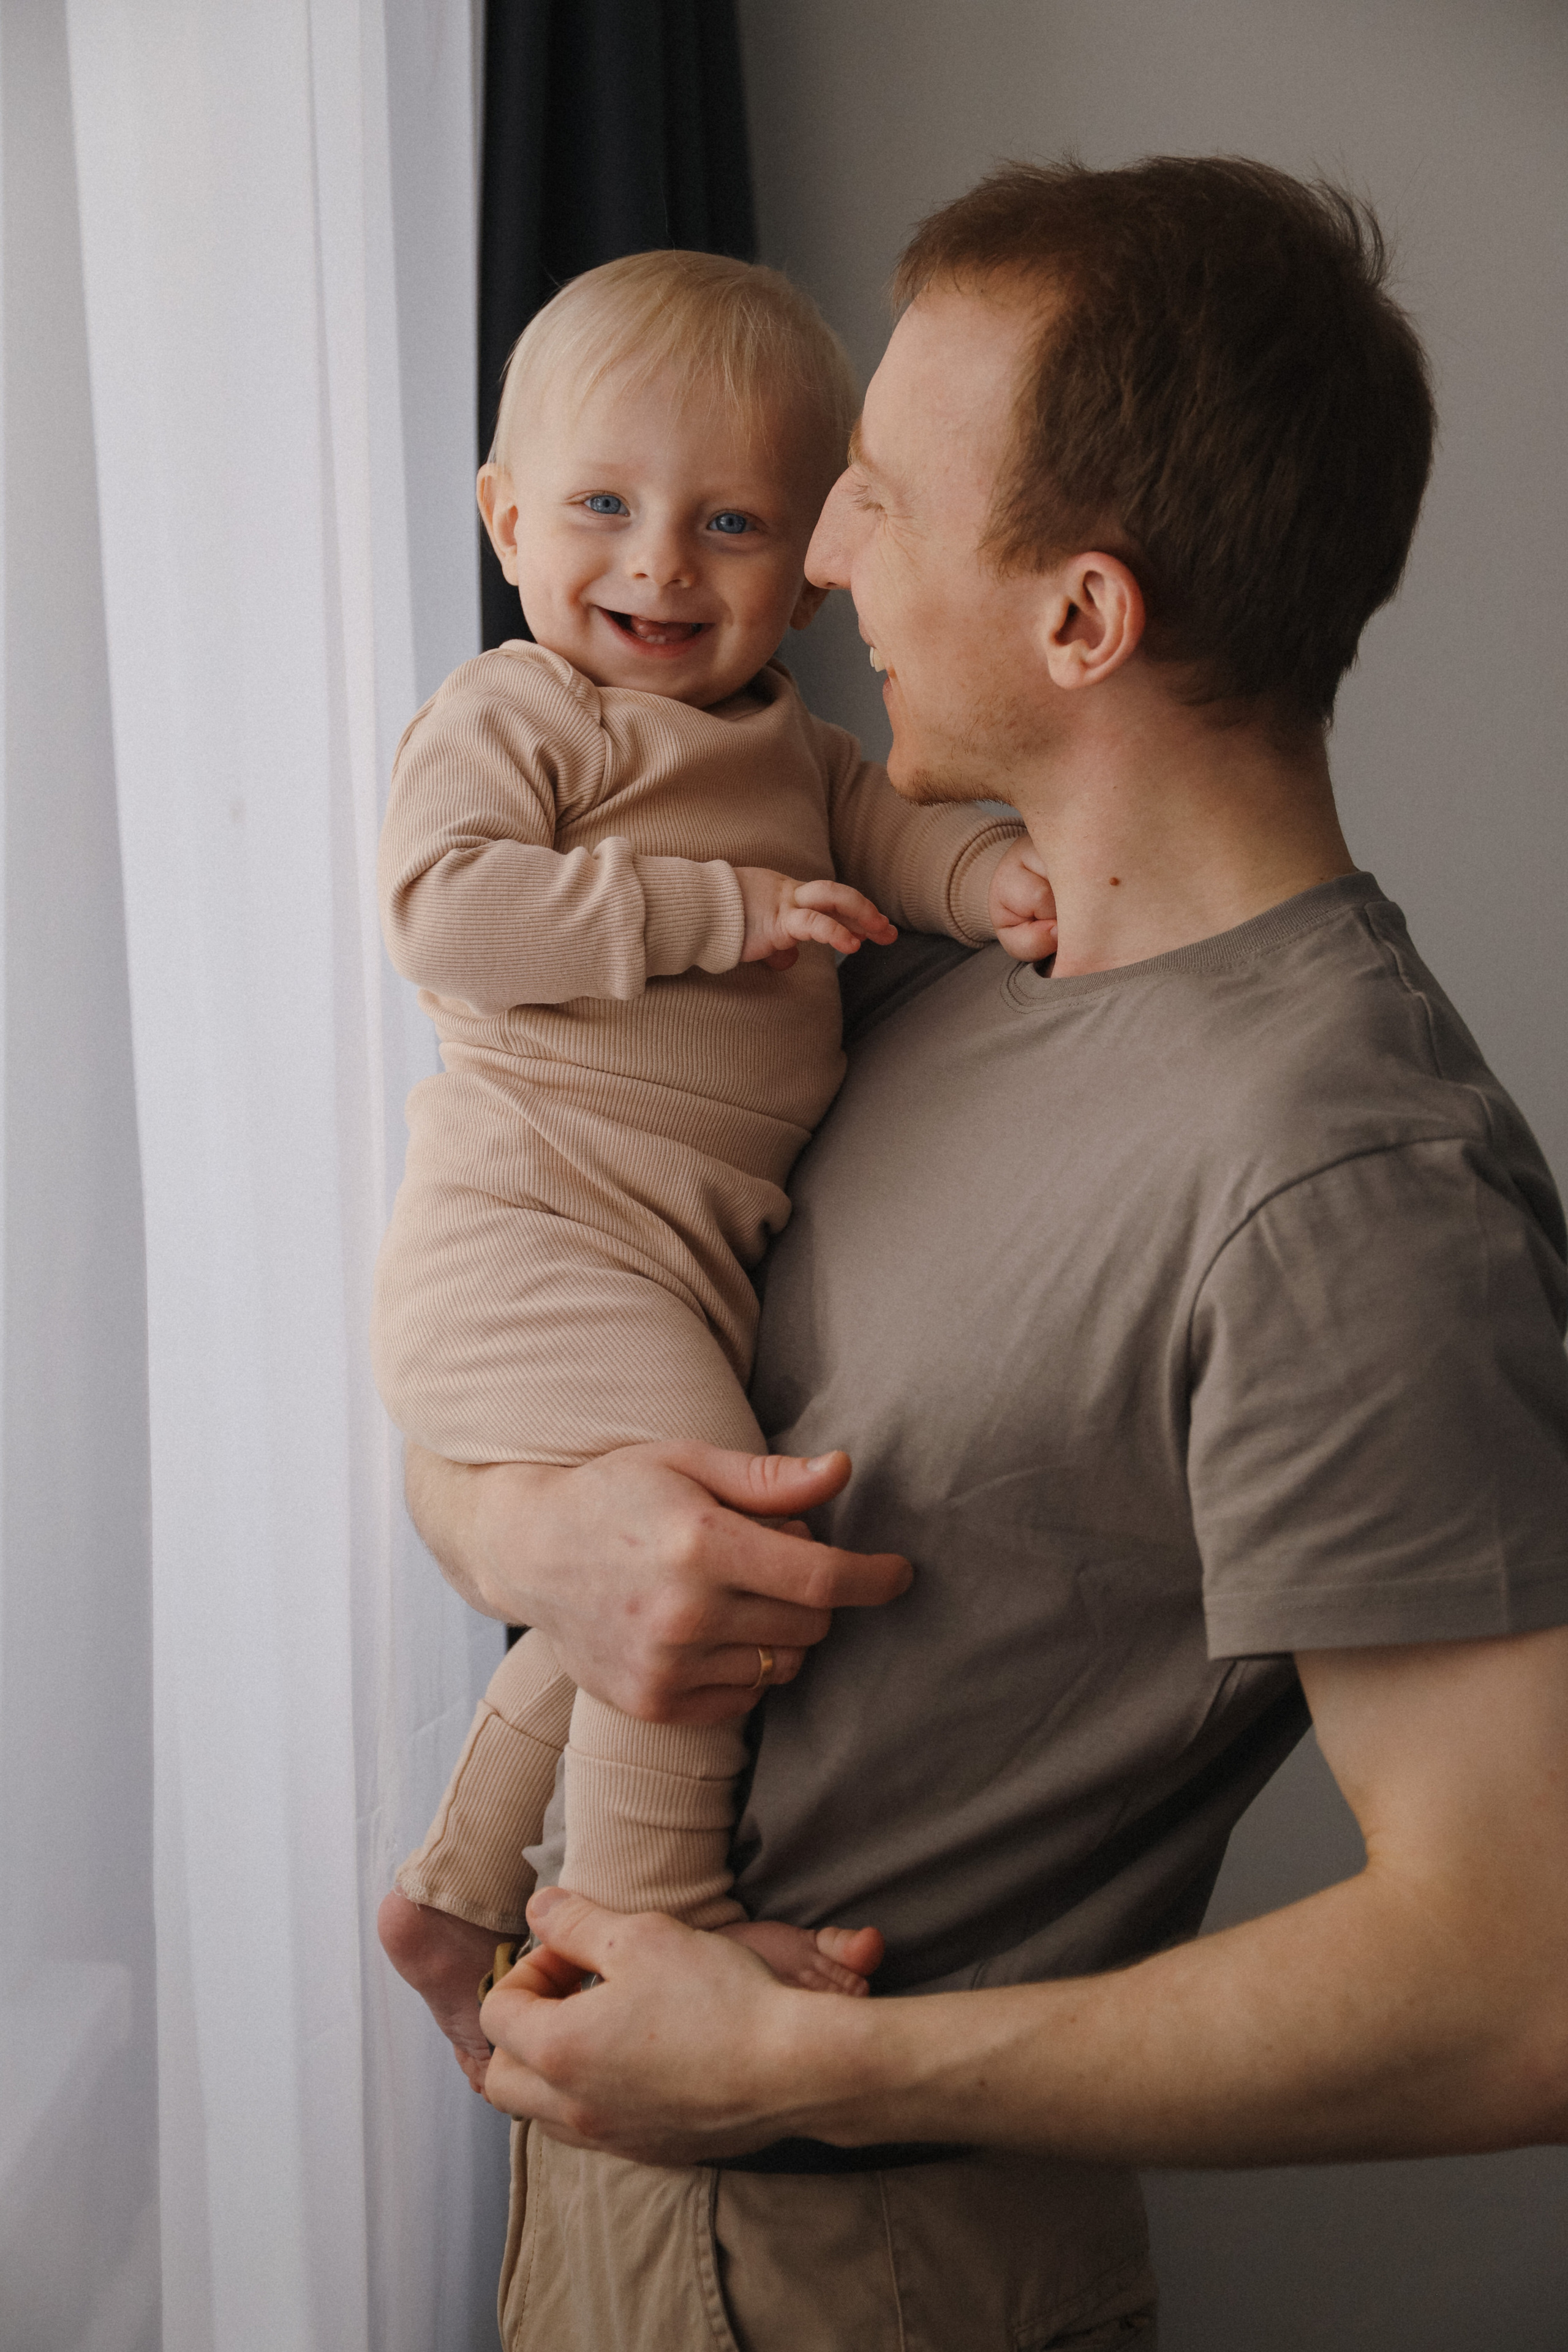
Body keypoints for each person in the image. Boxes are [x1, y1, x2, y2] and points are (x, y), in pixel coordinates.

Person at [415, 160, 1568, 2350]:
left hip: (866, 2257)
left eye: (874, 498)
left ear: (1084, 619)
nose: (818, 551)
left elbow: (1527, 1984)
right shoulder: (925, 958)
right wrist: (525, 1514)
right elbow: (541, 1395)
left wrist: (799, 2067)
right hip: (612, 2191)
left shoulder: (1349, 1184)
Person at [371, 249, 1051, 2087]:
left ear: (810, 551)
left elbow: (896, 838)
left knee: (637, 1588)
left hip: (662, 1259)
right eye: (602, 506)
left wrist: (990, 882)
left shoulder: (797, 751)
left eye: (731, 520)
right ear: (508, 518)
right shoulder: (523, 716)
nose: (661, 564)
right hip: (531, 1244)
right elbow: (443, 909)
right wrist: (708, 912)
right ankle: (647, 1915)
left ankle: (455, 1886)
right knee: (721, 1555)